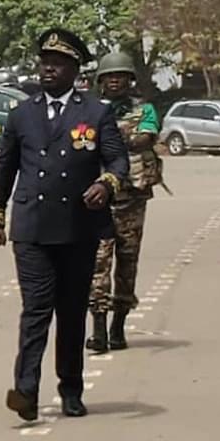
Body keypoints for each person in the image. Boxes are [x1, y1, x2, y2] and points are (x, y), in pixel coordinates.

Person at [0, 28, 129, 421]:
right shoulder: (21, 114)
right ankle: (26, 390)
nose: (48, 69)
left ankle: (70, 388)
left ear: (74, 69)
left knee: (69, 311)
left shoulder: (96, 112)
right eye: (44, 63)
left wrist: (106, 184)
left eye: (58, 63)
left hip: (77, 228)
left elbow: (118, 161)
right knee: (35, 309)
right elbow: (6, 168)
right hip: (31, 227)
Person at [86, 52, 161, 353]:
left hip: (131, 198)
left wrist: (112, 135)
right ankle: (100, 330)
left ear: (131, 80)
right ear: (100, 81)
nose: (115, 80)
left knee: (127, 263)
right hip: (98, 198)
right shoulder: (89, 110)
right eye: (109, 76)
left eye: (121, 76)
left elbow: (147, 137)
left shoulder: (144, 110)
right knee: (97, 264)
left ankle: (119, 326)